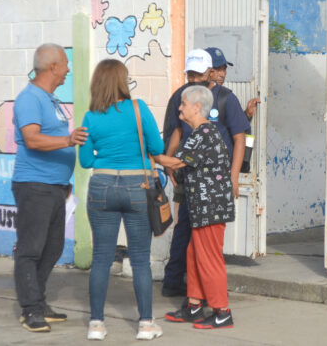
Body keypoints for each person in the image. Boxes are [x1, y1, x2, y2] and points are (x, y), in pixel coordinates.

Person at [79, 59, 164, 341]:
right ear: (122, 81)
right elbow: (157, 147)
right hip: (136, 184)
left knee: (101, 258)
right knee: (140, 259)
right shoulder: (138, 109)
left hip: (101, 185)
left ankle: (96, 325)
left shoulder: (91, 116)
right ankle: (146, 324)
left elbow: (84, 160)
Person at [161, 49, 250, 298]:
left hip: (214, 182)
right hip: (187, 176)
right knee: (184, 231)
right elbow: (177, 130)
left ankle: (212, 300)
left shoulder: (226, 99)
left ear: (210, 72)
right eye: (189, 73)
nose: (193, 77)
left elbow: (239, 139)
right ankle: (177, 284)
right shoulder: (182, 95)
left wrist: (233, 178)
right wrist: (169, 160)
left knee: (207, 243)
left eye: (197, 73)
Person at [12, 43, 88, 332]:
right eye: (65, 64)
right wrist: (68, 141)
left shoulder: (50, 99)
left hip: (54, 187)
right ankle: (31, 310)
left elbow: (51, 137)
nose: (68, 69)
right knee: (31, 249)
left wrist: (63, 182)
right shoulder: (29, 99)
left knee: (53, 247)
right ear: (52, 66)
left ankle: (38, 301)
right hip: (34, 186)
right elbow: (32, 139)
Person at [154, 85, 235, 329]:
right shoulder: (200, 132)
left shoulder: (204, 133)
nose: (179, 108)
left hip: (211, 207)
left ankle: (222, 311)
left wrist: (148, 156)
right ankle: (195, 305)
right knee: (194, 253)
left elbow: (176, 162)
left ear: (197, 107)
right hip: (202, 206)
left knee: (209, 258)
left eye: (183, 104)